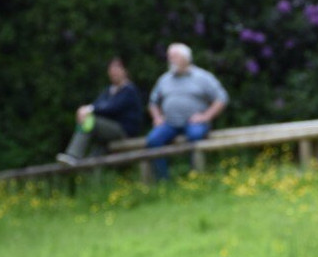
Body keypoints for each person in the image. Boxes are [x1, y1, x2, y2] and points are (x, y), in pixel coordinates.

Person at [145, 43, 229, 180]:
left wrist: (206, 116)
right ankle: (163, 181)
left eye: (174, 56)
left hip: (195, 122)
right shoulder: (164, 79)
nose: (171, 60)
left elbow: (222, 98)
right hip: (169, 123)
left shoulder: (202, 77)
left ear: (186, 58)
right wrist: (157, 118)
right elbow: (153, 102)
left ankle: (195, 177)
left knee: (195, 135)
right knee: (153, 140)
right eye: (169, 57)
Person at [56, 57, 142, 164]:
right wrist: (86, 110)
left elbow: (112, 108)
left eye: (116, 69)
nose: (113, 72)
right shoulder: (108, 91)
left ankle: (73, 154)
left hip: (124, 132)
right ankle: (89, 175)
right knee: (96, 152)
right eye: (111, 70)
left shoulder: (129, 90)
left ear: (124, 70)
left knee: (91, 121)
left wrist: (88, 110)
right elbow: (97, 105)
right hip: (107, 132)